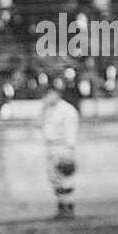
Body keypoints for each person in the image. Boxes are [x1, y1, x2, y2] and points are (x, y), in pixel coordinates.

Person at [40, 82, 79, 219]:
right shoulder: (49, 109)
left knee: (65, 177)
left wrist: (69, 149)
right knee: (55, 179)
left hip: (63, 146)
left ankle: (69, 207)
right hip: (51, 147)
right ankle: (62, 207)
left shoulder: (67, 109)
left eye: (48, 95)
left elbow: (71, 130)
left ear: (55, 94)